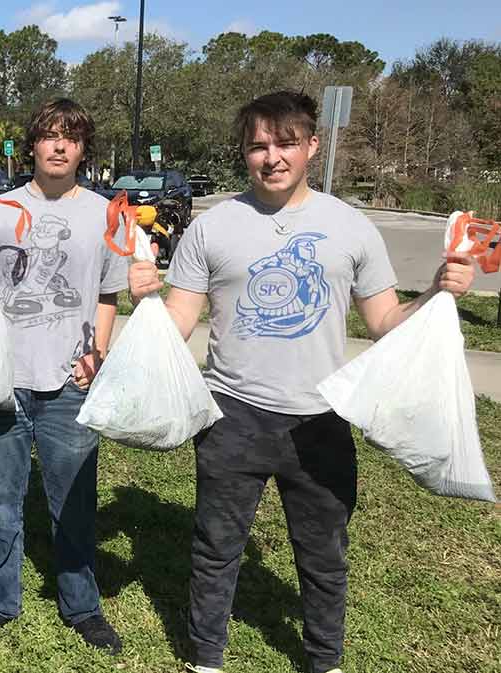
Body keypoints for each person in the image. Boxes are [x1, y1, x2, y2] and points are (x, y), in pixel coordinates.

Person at [126, 91, 477, 673]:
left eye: (286, 143)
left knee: (324, 556)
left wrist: (438, 291)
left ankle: (324, 661)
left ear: (312, 145)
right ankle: (206, 659)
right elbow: (181, 320)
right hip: (231, 415)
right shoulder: (212, 230)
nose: (272, 157)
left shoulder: (352, 228)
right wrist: (147, 301)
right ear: (244, 152)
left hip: (321, 418)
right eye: (259, 145)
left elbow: (386, 322)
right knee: (216, 548)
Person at [0, 98, 127, 653]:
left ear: (81, 149)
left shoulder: (103, 213)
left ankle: (82, 605)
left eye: (69, 139)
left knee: (73, 500)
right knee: (2, 501)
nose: (58, 146)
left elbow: (106, 294)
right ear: (32, 144)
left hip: (68, 382)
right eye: (49, 136)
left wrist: (96, 353)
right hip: (2, 378)